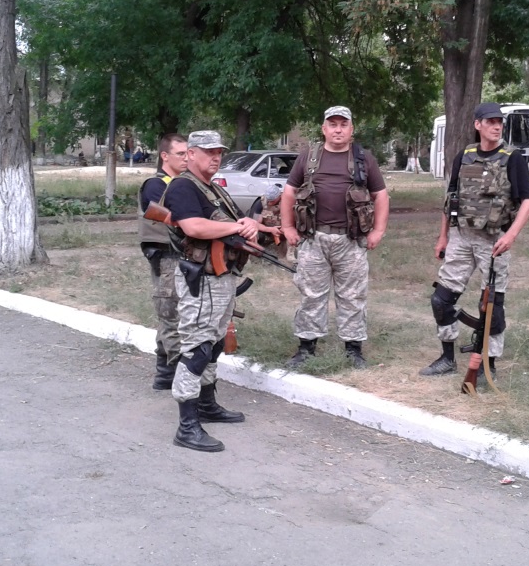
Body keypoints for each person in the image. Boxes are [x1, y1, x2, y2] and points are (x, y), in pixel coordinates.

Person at [160, 130, 260, 452]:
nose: (216, 157)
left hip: (221, 277)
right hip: (200, 280)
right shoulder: (183, 186)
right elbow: (194, 227)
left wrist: (256, 227)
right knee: (197, 349)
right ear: (190, 154)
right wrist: (238, 227)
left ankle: (206, 404)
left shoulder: (213, 188)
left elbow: (235, 222)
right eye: (208, 152)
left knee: (214, 344)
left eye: (219, 152)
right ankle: (187, 426)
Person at [421, 102, 529, 379]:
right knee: (441, 299)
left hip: (493, 240)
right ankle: (447, 358)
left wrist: (511, 235)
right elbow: (451, 199)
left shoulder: (512, 158)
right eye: (490, 121)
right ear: (478, 125)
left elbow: (528, 201)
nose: (496, 126)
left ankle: (488, 365)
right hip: (461, 238)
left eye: (499, 122)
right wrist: (443, 236)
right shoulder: (465, 156)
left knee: (491, 304)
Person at [279, 105, 389, 369]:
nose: (338, 129)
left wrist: (378, 231)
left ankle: (353, 349)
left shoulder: (363, 159)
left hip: (350, 241)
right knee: (311, 294)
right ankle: (306, 347)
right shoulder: (308, 156)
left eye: (343, 124)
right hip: (313, 239)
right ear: (324, 128)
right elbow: (289, 192)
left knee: (353, 295)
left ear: (351, 129)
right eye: (333, 124)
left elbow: (381, 195)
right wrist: (288, 227)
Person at [137, 133, 189, 390]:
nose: (186, 158)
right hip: (167, 258)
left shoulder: (180, 183)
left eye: (188, 153)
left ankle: (165, 375)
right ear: (165, 156)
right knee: (172, 317)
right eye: (181, 154)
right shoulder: (155, 185)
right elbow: (176, 217)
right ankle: (180, 378)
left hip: (180, 257)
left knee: (175, 315)